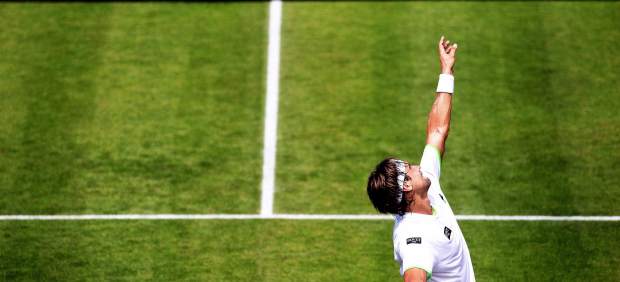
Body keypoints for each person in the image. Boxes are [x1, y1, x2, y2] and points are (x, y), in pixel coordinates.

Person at [366, 36, 475, 282]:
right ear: (406, 186)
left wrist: (446, 72)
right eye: (409, 168)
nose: (416, 166)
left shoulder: (428, 186)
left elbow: (437, 130)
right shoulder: (415, 241)